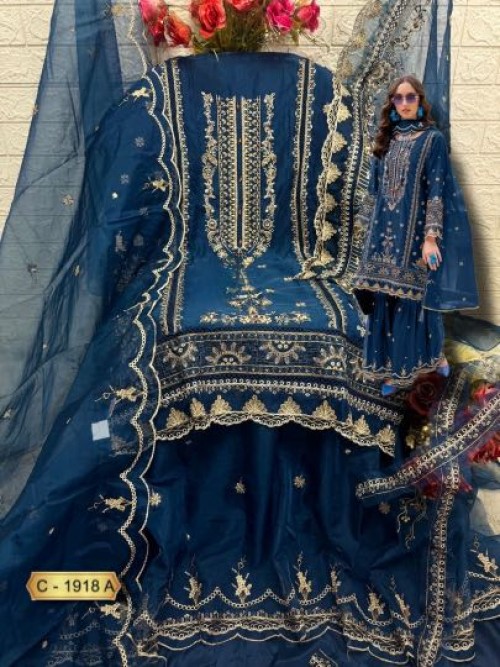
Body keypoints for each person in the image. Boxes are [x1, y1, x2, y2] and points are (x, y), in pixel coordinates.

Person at [353, 74, 479, 395]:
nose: (405, 103)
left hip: (415, 235)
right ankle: (393, 363)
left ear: (420, 102)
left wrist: (431, 238)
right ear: (392, 103)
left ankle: (411, 368)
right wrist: (363, 229)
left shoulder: (432, 139)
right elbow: (373, 191)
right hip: (381, 234)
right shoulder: (386, 139)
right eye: (399, 98)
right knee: (383, 297)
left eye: (411, 97)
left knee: (414, 298)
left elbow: (436, 191)